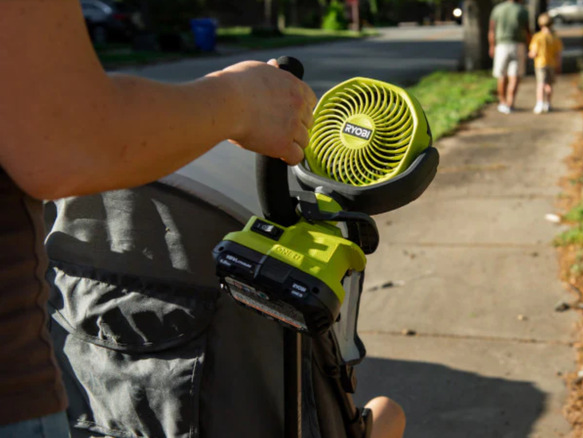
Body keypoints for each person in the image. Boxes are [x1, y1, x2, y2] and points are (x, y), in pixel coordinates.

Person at [0, 1, 403, 437]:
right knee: (388, 415)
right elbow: (64, 141)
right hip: (15, 391)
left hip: (84, 400)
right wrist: (240, 101)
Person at [488, 0, 531, 114]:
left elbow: (492, 31)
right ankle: (510, 102)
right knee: (515, 76)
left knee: (501, 75)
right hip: (518, 45)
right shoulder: (522, 10)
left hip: (501, 45)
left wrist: (492, 46)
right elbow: (527, 31)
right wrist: (529, 46)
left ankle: (503, 102)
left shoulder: (497, 9)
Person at [528, 13, 563, 114]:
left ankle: (539, 103)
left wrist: (530, 55)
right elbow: (558, 54)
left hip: (540, 64)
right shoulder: (555, 37)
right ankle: (548, 103)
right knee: (549, 85)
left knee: (540, 84)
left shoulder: (537, 37)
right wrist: (558, 65)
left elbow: (533, 53)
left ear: (540, 24)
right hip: (551, 64)